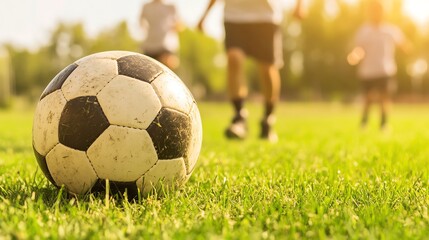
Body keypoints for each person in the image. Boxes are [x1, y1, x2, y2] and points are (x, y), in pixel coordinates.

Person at [198, 0, 303, 142]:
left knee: (267, 68)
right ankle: (239, 117)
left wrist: (299, 5)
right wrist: (204, 15)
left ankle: (268, 119)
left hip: (265, 15)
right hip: (234, 15)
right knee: (234, 58)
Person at [347, 0, 408, 131]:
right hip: (368, 70)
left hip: (385, 69)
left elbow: (403, 43)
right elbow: (359, 49)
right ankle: (364, 123)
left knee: (384, 98)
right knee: (367, 99)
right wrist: (354, 56)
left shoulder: (390, 30)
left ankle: (384, 124)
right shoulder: (364, 30)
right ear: (370, 12)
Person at [139, 0, 181, 70]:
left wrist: (175, 27)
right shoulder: (146, 7)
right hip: (149, 46)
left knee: (166, 72)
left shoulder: (171, 6)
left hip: (166, 46)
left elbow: (179, 24)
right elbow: (141, 22)